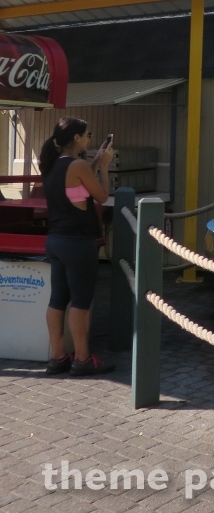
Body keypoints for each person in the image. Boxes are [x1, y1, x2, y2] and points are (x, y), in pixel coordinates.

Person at [40, 118, 114, 376]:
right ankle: (82, 359)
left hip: (56, 240)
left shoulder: (52, 164)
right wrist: (104, 167)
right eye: (87, 135)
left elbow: (77, 193)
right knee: (81, 302)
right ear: (77, 139)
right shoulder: (79, 165)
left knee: (58, 299)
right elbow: (102, 196)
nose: (90, 139)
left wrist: (94, 163)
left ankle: (57, 356)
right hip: (78, 243)